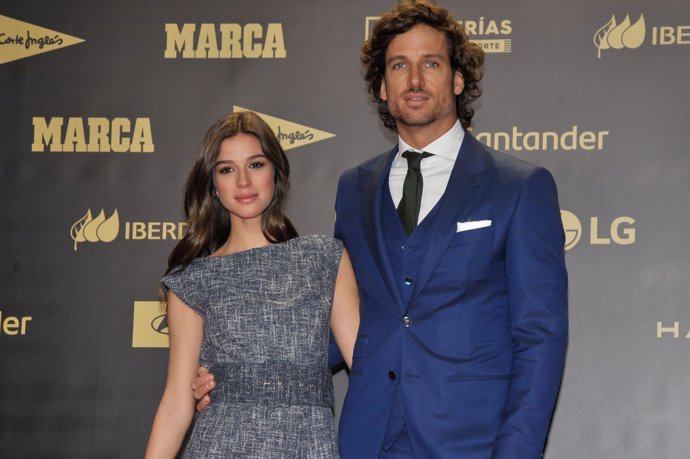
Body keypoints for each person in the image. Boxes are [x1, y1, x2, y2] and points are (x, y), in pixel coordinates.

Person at [193, 1, 568, 457]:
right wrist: (237, 376)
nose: (415, 80)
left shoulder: (519, 187)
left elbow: (540, 337)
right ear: (383, 88)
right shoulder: (355, 187)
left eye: (431, 63)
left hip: (473, 441)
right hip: (369, 439)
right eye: (399, 66)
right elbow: (335, 321)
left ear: (457, 79)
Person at [144, 111, 359, 458]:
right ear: (213, 185)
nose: (243, 181)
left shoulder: (324, 258)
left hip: (308, 446)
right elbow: (176, 403)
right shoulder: (193, 281)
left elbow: (364, 368)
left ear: (276, 172)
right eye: (227, 170)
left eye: (256, 165)